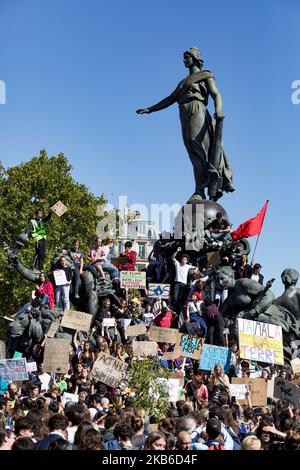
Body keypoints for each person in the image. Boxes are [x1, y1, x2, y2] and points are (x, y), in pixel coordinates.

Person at [137, 47, 234, 201]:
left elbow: (216, 94)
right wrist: (150, 109)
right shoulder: (183, 82)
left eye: (187, 56)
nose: (184, 60)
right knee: (192, 152)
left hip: (197, 110)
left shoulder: (205, 75)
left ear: (195, 58)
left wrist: (219, 110)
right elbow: (170, 99)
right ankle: (200, 189)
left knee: (199, 148)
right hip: (183, 113)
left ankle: (201, 189)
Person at [26, 207, 53, 272]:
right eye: (39, 213)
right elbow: (29, 229)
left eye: (41, 213)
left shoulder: (41, 220)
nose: (41, 215)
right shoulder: (32, 221)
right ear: (36, 214)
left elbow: (47, 218)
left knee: (42, 254)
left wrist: (50, 212)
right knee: (38, 253)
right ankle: (33, 267)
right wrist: (26, 235)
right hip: (38, 239)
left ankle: (40, 269)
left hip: (43, 239)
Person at [171, 247, 196, 316]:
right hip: (177, 283)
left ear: (187, 261)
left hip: (183, 284)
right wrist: (177, 251)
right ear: (181, 259)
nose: (184, 260)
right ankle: (174, 310)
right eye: (183, 259)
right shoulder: (177, 264)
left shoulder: (188, 266)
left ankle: (179, 312)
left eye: (185, 259)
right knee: (175, 297)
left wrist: (195, 270)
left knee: (181, 299)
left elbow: (196, 267)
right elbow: (172, 257)